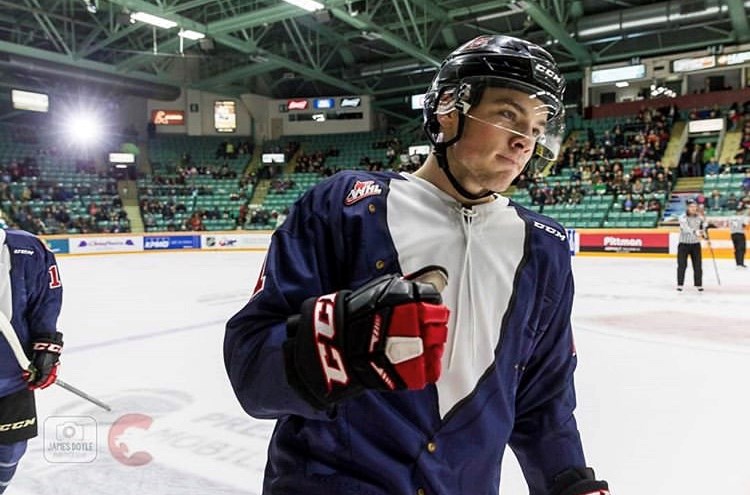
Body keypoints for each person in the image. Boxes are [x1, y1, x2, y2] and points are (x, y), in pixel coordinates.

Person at [224, 35, 608, 495]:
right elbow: (251, 372)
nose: (524, 139)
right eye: (508, 113)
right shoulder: (344, 206)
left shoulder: (543, 248)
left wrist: (570, 484)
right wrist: (336, 346)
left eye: (538, 123)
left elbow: (543, 402)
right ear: (449, 108)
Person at [0, 229, 64, 493]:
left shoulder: (26, 248)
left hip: (11, 375)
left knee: (10, 450)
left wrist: (47, 347)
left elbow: (46, 301)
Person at [676, 199, 706, 291]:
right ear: (687, 207)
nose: (693, 208)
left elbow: (702, 227)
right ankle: (680, 284)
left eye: (694, 206)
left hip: (695, 244)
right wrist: (695, 231)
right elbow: (685, 228)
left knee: (697, 265)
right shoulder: (682, 217)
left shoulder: (699, 217)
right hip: (684, 244)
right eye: (691, 206)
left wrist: (704, 234)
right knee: (682, 265)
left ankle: (698, 284)